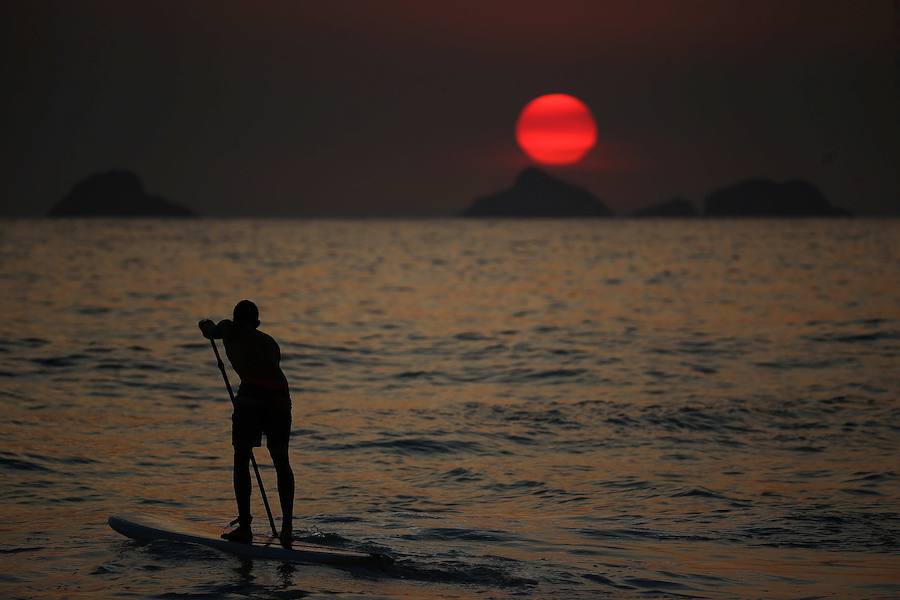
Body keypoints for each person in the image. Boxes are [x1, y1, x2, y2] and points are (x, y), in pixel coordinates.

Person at [198, 300, 294, 547]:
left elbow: (212, 332)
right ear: (258, 323)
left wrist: (206, 325)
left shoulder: (230, 329)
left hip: (252, 398)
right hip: (280, 399)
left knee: (241, 458)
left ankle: (246, 527)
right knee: (281, 460)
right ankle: (287, 528)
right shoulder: (270, 342)